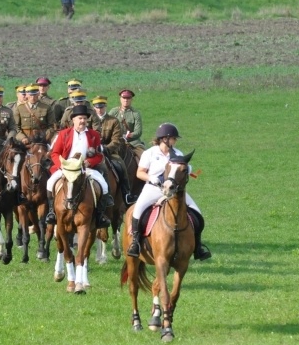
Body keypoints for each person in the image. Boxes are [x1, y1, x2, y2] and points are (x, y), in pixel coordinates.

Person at [127, 123, 211, 260]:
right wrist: (151, 177)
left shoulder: (178, 153)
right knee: (138, 211)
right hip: (153, 189)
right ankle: (135, 243)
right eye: (174, 138)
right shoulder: (150, 153)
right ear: (165, 138)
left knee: (197, 213)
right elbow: (139, 173)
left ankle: (198, 246)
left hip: (174, 192)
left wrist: (188, 170)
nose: (175, 141)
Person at [45, 105, 113, 228]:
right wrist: (62, 165)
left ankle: (100, 215)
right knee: (50, 183)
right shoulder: (64, 134)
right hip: (67, 169)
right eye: (80, 118)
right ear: (73, 120)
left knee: (103, 184)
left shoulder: (94, 135)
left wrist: (89, 162)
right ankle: (51, 212)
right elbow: (55, 153)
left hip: (85, 168)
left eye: (85, 119)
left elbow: (98, 155)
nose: (82, 121)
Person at [91, 95, 136, 205]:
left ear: (105, 107)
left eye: (102, 107)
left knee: (121, 166)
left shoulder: (113, 121)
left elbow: (117, 139)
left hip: (109, 152)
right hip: (91, 152)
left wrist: (106, 148)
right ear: (94, 108)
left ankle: (126, 194)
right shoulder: (88, 120)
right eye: (97, 107)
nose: (100, 109)